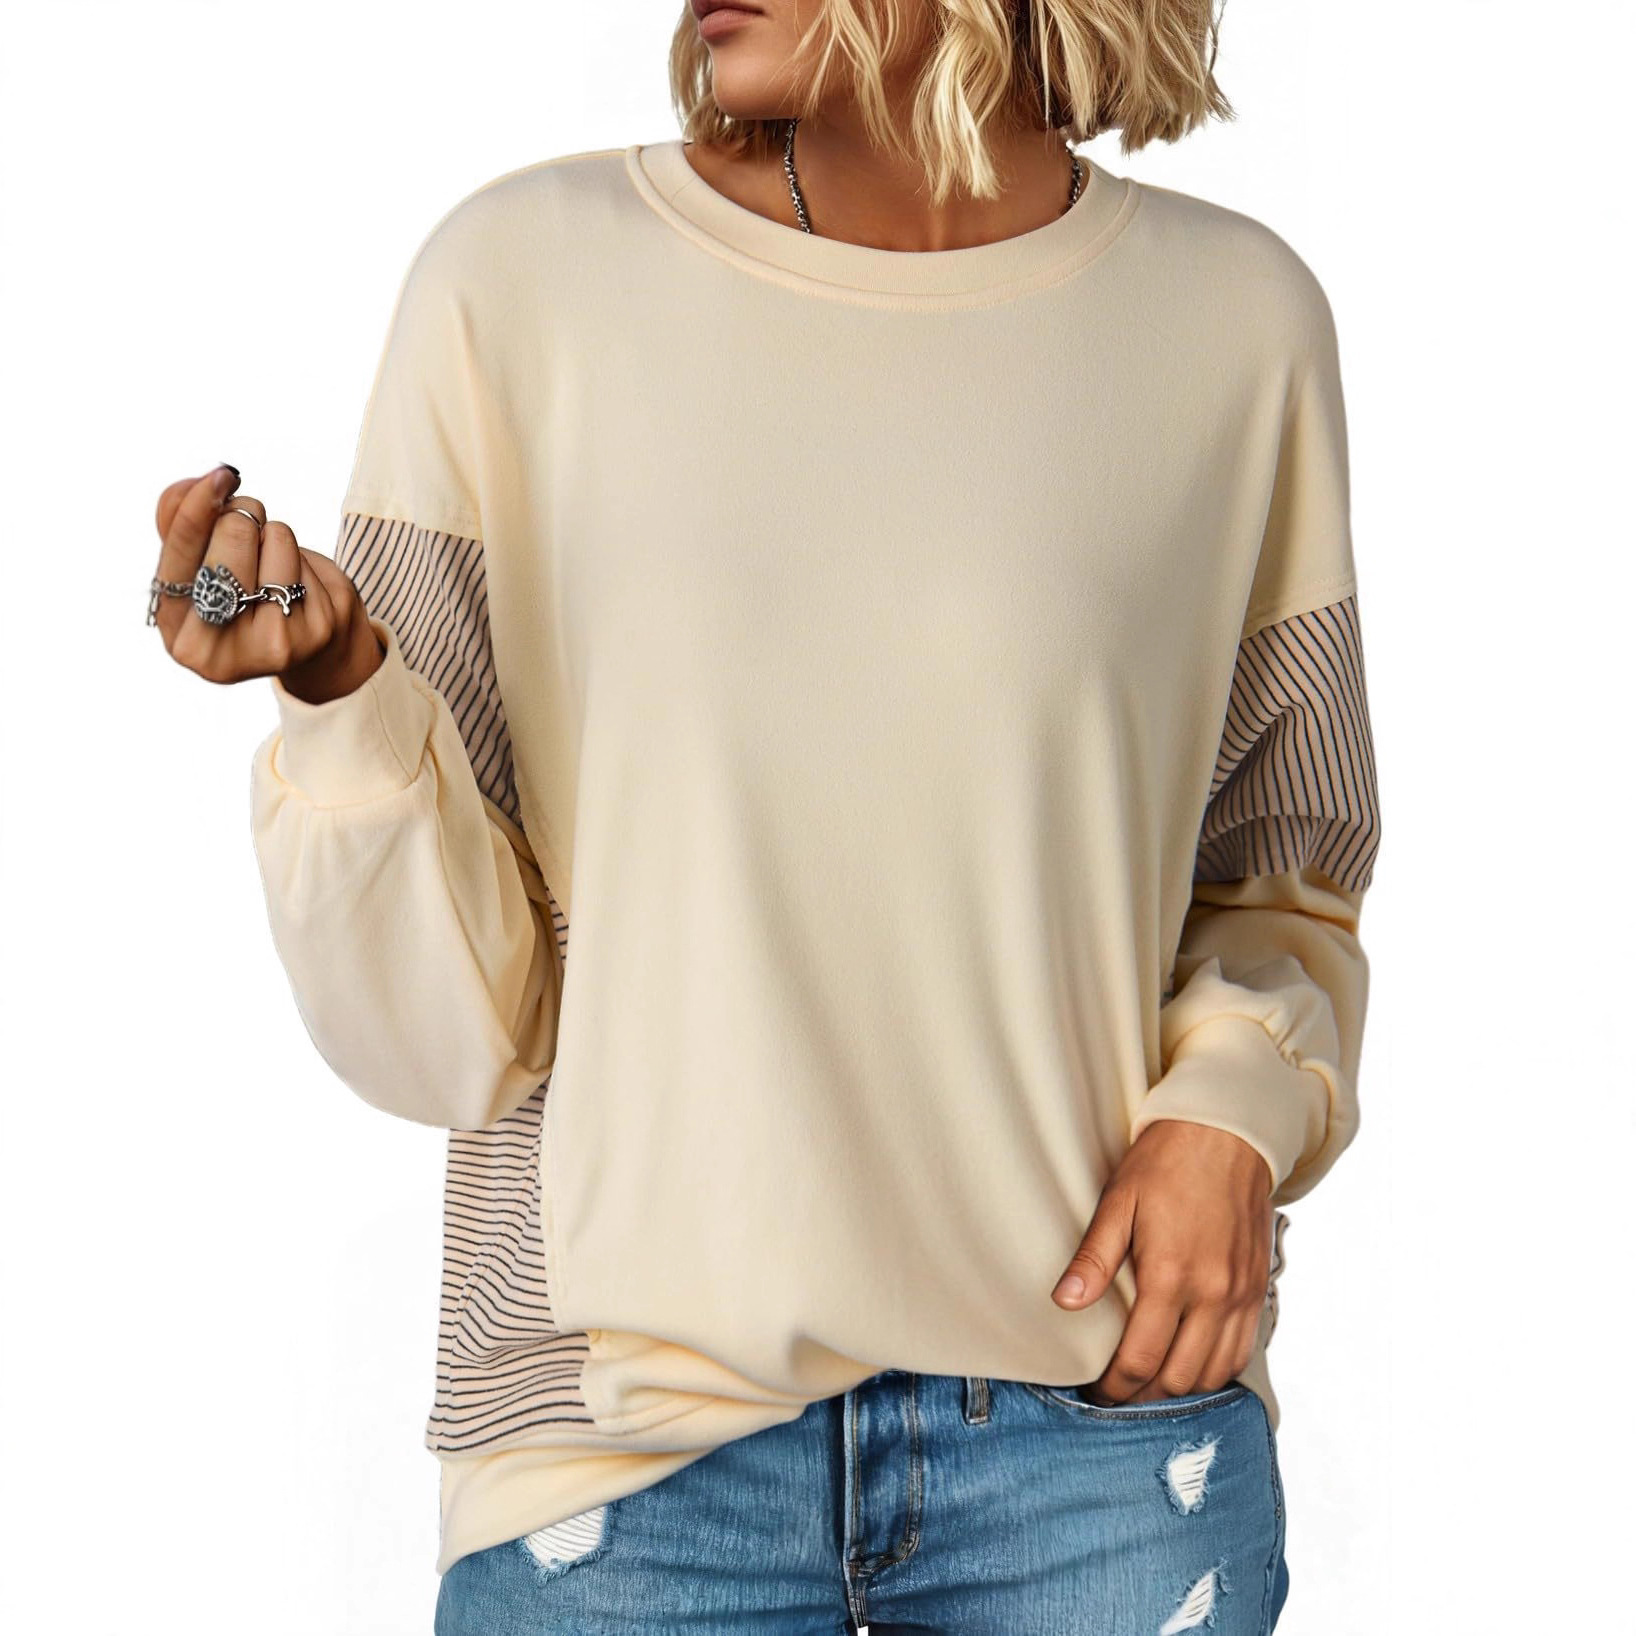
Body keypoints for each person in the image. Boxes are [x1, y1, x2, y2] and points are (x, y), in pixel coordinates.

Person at [148, 2, 1379, 1629]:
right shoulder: (519, 285)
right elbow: (443, 1045)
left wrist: (1233, 1107)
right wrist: (341, 694)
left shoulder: (1233, 322)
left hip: (1101, 1433)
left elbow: (1283, 869)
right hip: (621, 1456)